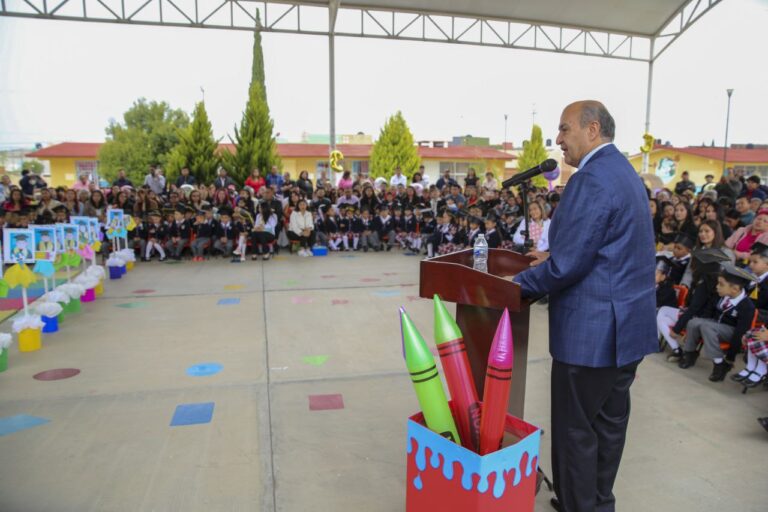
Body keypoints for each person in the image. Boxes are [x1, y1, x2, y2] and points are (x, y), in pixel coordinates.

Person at [513, 101, 657, 512]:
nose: (558, 139)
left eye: (564, 129)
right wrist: (554, 258)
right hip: (626, 331)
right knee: (607, 429)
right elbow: (606, 250)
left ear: (592, 130)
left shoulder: (590, 180)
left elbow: (570, 265)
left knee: (576, 433)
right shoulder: (623, 172)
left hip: (591, 335)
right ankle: (597, 504)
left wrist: (515, 286)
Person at [678, 263, 756, 381]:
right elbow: (708, 313)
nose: (717, 287)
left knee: (706, 327)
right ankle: (690, 353)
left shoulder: (747, 306)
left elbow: (740, 332)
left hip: (731, 332)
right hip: (713, 325)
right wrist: (693, 329)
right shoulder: (720, 295)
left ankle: (720, 364)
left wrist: (730, 356)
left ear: (735, 289)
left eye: (721, 284)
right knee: (694, 322)